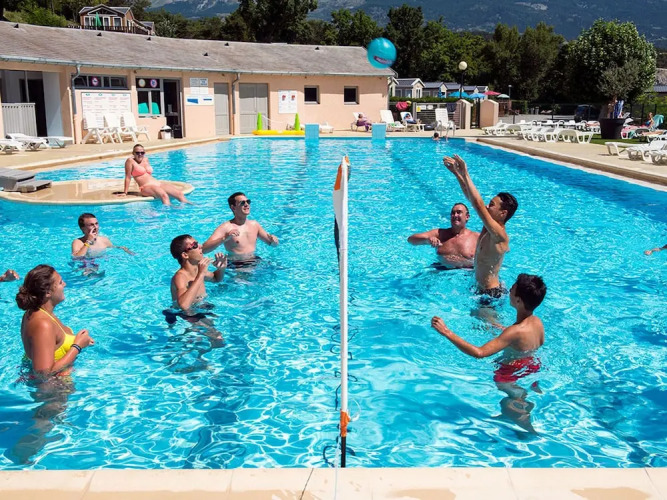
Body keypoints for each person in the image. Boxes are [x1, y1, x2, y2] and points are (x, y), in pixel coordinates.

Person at [431, 273, 547, 432]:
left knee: (512, 401)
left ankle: (524, 424)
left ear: (518, 301)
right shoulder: (537, 322)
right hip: (532, 366)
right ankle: (521, 411)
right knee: (518, 396)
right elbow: (528, 341)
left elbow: (479, 353)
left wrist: (446, 332)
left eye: (512, 290)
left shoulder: (514, 332)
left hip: (509, 373)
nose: (509, 291)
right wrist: (500, 329)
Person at [443, 154, 517, 299]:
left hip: (490, 294)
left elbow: (477, 204)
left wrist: (465, 173)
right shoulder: (488, 227)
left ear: (503, 213)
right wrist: (457, 174)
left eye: (492, 205)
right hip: (479, 287)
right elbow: (471, 198)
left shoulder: (499, 235)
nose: (487, 206)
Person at [16, 265, 95, 376]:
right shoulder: (43, 324)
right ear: (48, 292)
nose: (65, 284)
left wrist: (82, 340)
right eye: (60, 282)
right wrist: (77, 346)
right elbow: (43, 374)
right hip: (55, 385)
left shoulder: (40, 312)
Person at [202, 192, 279, 266]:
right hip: (236, 264)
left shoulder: (254, 225)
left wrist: (274, 241)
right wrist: (225, 238)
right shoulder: (226, 227)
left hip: (254, 260)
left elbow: (272, 244)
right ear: (233, 207)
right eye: (242, 203)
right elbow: (204, 249)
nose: (246, 204)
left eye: (248, 202)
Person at [407, 203, 479, 269]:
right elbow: (411, 240)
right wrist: (427, 240)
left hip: (467, 273)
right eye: (453, 213)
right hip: (441, 271)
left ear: (467, 217)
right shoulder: (440, 234)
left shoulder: (476, 237)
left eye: (459, 212)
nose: (455, 215)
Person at [120, 144, 191, 205]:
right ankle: (168, 213)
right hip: (145, 187)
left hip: (157, 183)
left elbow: (148, 175)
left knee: (179, 193)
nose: (140, 154)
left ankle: (190, 208)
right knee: (164, 196)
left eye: (142, 152)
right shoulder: (130, 161)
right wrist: (125, 192)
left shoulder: (146, 159)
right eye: (137, 152)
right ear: (133, 153)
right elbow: (128, 177)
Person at [170, 235, 227, 311]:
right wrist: (200, 275)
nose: (200, 246)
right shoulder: (180, 277)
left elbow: (216, 278)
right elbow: (184, 305)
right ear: (185, 255)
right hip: (184, 314)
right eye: (195, 245)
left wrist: (221, 268)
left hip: (200, 307)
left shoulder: (198, 270)